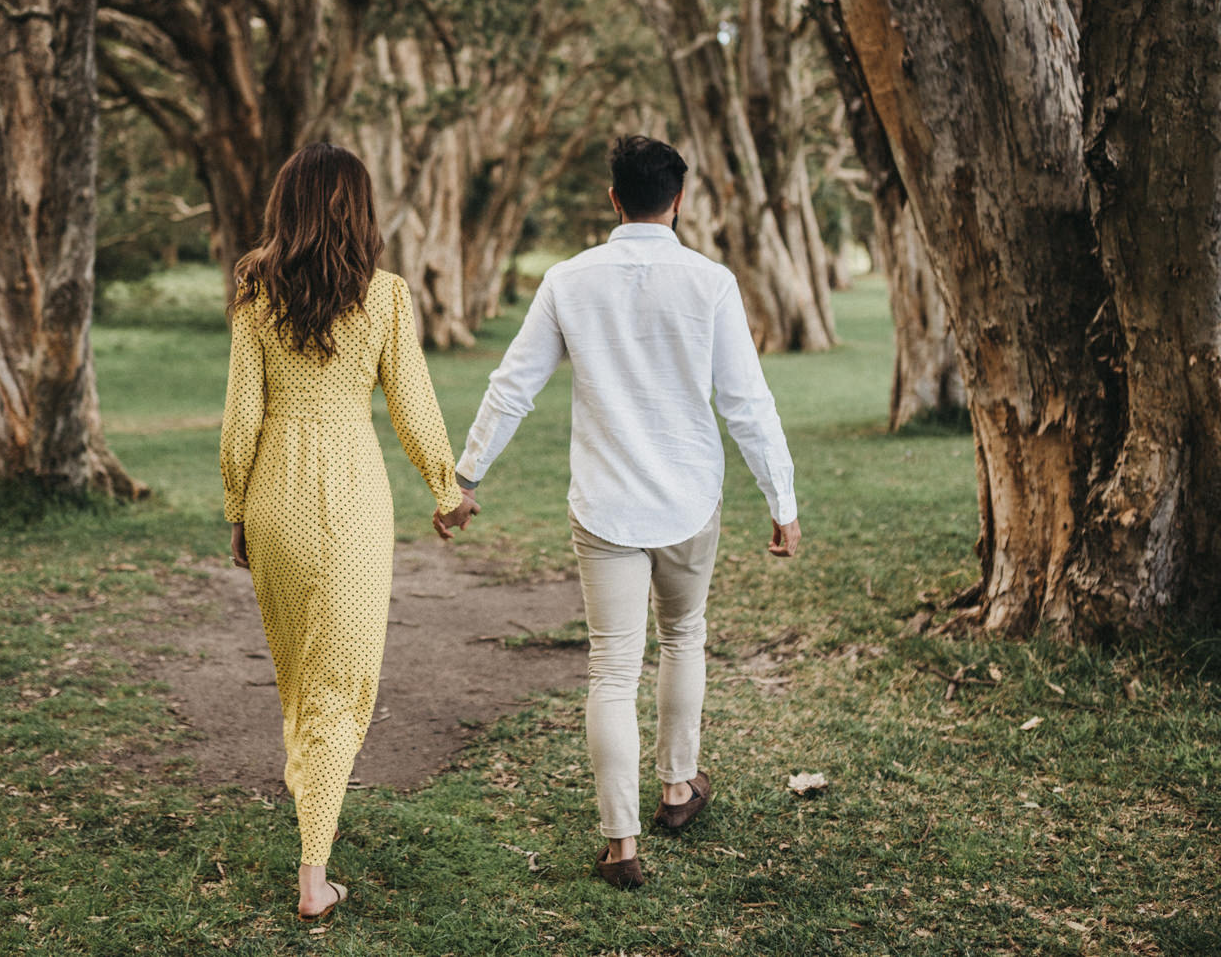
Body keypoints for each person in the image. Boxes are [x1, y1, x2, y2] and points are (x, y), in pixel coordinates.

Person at [454, 134, 800, 888]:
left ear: (613, 197)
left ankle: (621, 844)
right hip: (688, 500)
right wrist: (783, 499)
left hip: (605, 505)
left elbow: (514, 385)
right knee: (684, 636)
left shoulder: (568, 280)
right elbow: (745, 403)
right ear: (679, 199)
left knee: (612, 671)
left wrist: (467, 473)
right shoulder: (710, 282)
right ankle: (678, 788)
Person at [219, 143, 480, 921]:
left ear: (286, 203)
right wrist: (447, 488)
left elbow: (242, 418)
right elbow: (412, 403)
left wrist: (237, 508)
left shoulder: (255, 288)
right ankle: (313, 878)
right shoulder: (386, 295)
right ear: (357, 208)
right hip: (353, 494)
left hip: (276, 493)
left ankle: (313, 809)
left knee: (302, 674)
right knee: (341, 682)